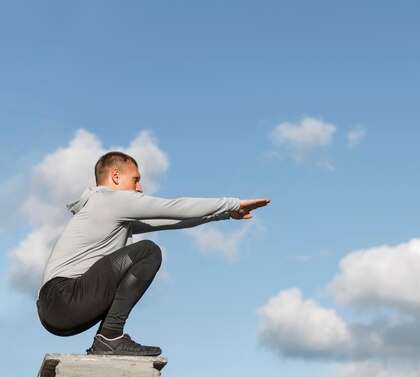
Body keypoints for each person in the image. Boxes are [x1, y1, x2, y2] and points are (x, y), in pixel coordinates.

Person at [36, 151, 269, 356]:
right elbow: (176, 207)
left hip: (56, 313)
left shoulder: (110, 214)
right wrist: (232, 202)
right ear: (115, 177)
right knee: (148, 251)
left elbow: (174, 220)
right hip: (63, 298)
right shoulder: (109, 200)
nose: (140, 188)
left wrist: (226, 214)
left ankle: (107, 338)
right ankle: (110, 336)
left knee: (142, 253)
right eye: (135, 180)